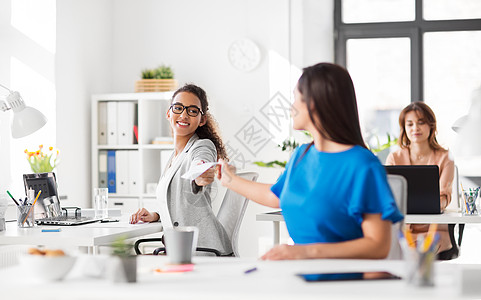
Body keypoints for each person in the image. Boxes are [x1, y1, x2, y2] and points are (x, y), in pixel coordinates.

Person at [217, 62, 403, 260]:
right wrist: (230, 180)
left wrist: (306, 251)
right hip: (301, 276)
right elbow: (277, 196)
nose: (291, 107)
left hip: (344, 282)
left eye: (295, 98)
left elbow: (378, 246)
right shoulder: (302, 155)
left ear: (313, 102)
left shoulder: (362, 165)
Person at [130, 84, 232, 256]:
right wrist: (155, 215)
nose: (184, 115)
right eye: (178, 108)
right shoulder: (175, 156)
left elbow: (201, 163)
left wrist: (201, 173)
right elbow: (179, 206)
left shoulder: (202, 146)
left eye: (192, 111)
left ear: (202, 120)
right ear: (169, 113)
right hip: (182, 248)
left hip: (205, 250)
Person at [385, 101, 456, 260]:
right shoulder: (394, 158)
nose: (415, 128)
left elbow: (444, 195)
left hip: (434, 231)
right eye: (409, 124)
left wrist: (437, 205)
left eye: (420, 123)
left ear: (431, 126)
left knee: (419, 254)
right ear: (404, 128)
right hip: (402, 231)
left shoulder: (445, 157)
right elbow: (388, 195)